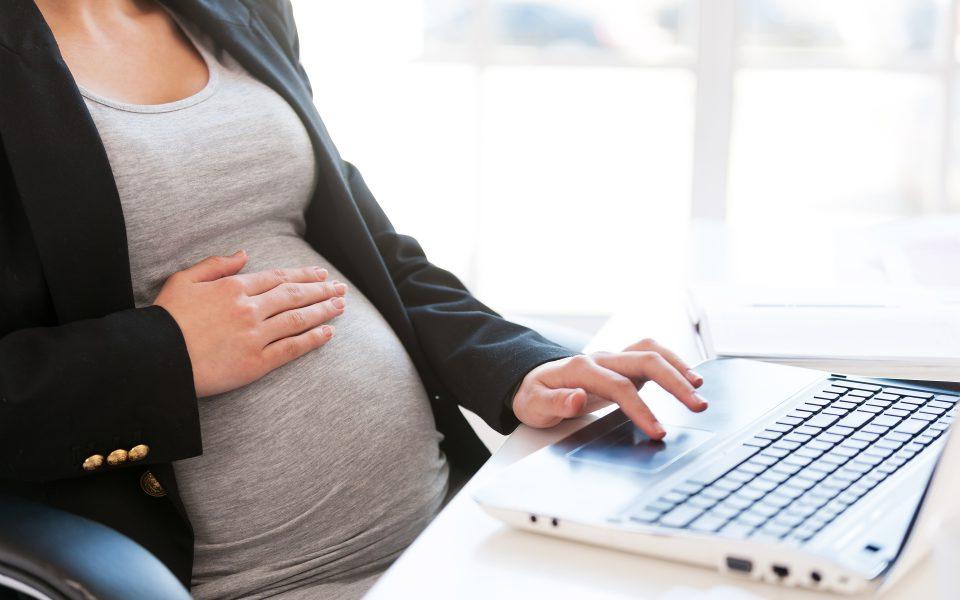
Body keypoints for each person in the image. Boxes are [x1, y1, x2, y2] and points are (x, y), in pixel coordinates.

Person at [0, 1, 708, 597]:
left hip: (453, 531)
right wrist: (165, 357)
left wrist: (522, 366)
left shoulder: (233, 9)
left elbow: (369, 253)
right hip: (269, 582)